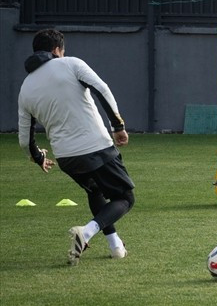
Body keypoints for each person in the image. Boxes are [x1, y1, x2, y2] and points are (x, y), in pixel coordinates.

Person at [17, 29, 136, 265]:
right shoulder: (71, 64)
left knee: (95, 192)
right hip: (97, 147)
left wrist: (39, 157)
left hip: (66, 158)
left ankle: (115, 247)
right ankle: (86, 232)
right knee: (125, 198)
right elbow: (102, 90)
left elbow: (24, 140)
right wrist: (118, 126)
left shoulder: (25, 88)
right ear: (56, 50)